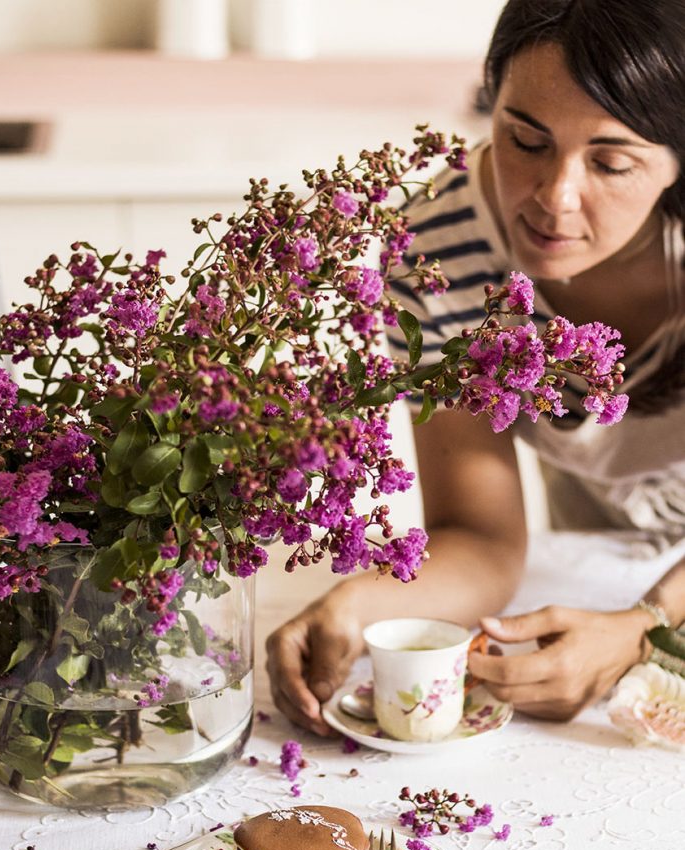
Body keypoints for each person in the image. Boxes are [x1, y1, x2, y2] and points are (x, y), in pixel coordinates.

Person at [266, 0, 685, 735]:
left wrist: (642, 629)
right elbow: (481, 539)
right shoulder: (435, 249)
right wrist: (353, 605)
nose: (554, 199)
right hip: (596, 529)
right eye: (525, 139)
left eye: (612, 162)